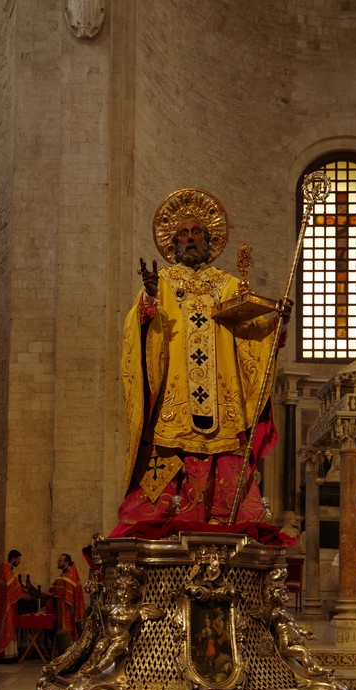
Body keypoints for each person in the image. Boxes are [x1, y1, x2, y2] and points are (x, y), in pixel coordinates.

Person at [114, 186, 291, 529]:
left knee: (227, 473)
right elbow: (140, 331)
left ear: (208, 240)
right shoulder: (160, 281)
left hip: (222, 403)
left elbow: (250, 335)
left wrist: (277, 322)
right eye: (183, 233)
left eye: (197, 232)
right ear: (174, 243)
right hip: (175, 401)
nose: (190, 238)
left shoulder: (228, 285)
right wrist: (149, 300)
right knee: (163, 486)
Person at [0, 549, 24, 661]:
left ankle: (10, 655)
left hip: (10, 604)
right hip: (5, 604)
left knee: (10, 627)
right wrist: (20, 592)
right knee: (5, 626)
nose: (19, 562)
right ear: (13, 559)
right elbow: (10, 586)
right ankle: (3, 655)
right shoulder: (4, 569)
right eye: (18, 559)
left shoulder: (9, 571)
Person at [48, 553, 86, 649]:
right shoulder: (64, 574)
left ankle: (68, 649)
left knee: (67, 629)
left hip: (68, 608)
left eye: (60, 561)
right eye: (59, 560)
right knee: (61, 628)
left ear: (67, 562)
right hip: (61, 607)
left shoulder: (70, 575)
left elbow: (71, 594)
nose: (58, 562)